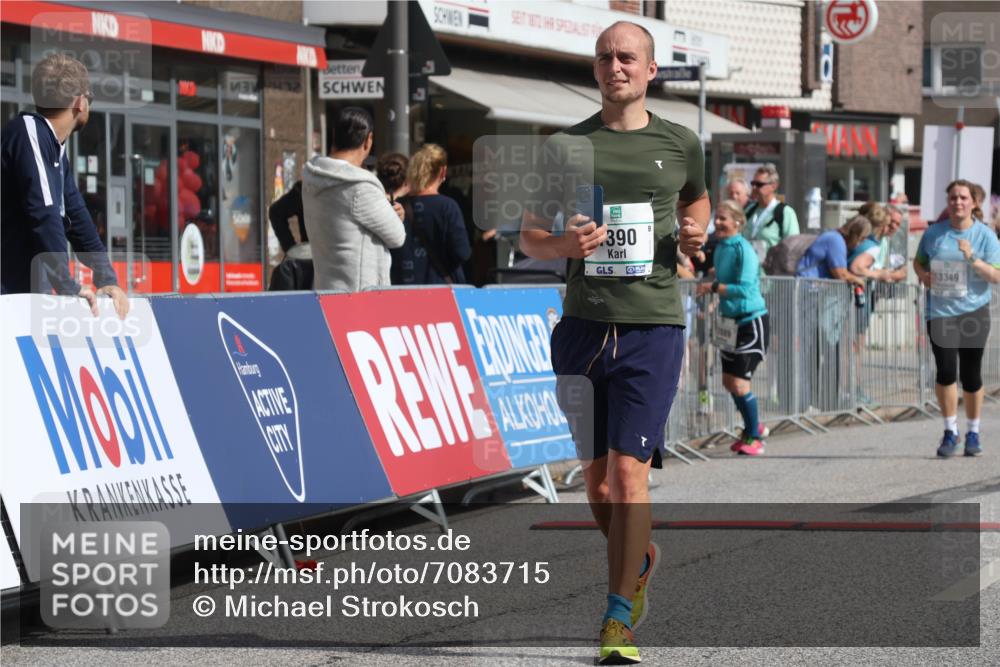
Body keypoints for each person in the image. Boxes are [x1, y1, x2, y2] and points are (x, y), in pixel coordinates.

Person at [520, 21, 710, 664]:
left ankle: (617, 619)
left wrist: (695, 232)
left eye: (627, 56)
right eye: (604, 57)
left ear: (651, 69)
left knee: (630, 477)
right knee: (599, 488)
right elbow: (529, 236)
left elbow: (698, 202)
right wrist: (564, 245)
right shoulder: (564, 147)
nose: (614, 66)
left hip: (653, 325)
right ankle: (641, 560)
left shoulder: (681, 141)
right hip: (582, 328)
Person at [1, 52, 128, 317]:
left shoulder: (55, 149)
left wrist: (106, 278)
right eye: (90, 99)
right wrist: (67, 285)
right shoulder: (28, 131)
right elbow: (45, 213)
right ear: (80, 102)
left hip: (24, 295)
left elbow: (76, 215)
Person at [913, 179, 1000, 458]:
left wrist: (972, 258)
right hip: (940, 312)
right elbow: (918, 262)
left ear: (974, 203)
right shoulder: (934, 233)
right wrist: (924, 276)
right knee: (946, 370)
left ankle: (973, 432)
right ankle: (950, 431)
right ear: (948, 202)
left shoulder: (985, 236)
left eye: (963, 198)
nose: (958, 202)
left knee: (971, 374)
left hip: (974, 311)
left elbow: (996, 276)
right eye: (953, 198)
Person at [302, 107, 405, 292]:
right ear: (368, 140)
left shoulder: (312, 177)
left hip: (325, 289)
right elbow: (397, 236)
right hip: (360, 294)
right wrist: (395, 215)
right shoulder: (360, 187)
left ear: (334, 135)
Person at [695, 200, 769, 455]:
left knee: (739, 383)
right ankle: (753, 425)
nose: (717, 223)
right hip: (728, 323)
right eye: (716, 218)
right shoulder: (721, 246)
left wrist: (713, 287)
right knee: (728, 381)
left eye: (723, 219)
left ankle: (754, 437)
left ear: (738, 221)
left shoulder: (743, 249)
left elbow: (745, 289)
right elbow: (720, 276)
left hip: (750, 321)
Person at [391, 144, 470, 284]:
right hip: (441, 288)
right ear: (443, 171)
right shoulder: (447, 207)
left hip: (403, 287)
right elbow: (462, 252)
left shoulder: (398, 206)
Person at [743, 163, 800, 263]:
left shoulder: (785, 212)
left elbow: (793, 247)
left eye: (759, 184)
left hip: (772, 271)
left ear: (773, 186)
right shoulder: (749, 210)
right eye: (753, 183)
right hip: (749, 268)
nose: (754, 188)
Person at [796, 215, 871, 287]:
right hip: (808, 286)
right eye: (862, 239)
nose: (862, 242)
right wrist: (858, 280)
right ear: (854, 234)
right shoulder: (836, 240)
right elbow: (841, 274)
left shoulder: (834, 237)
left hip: (810, 286)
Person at [267, 180, 313, 290]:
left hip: (311, 263)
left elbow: (276, 212)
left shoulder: (309, 187)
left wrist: (292, 250)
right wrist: (293, 250)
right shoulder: (308, 189)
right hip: (312, 263)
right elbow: (276, 212)